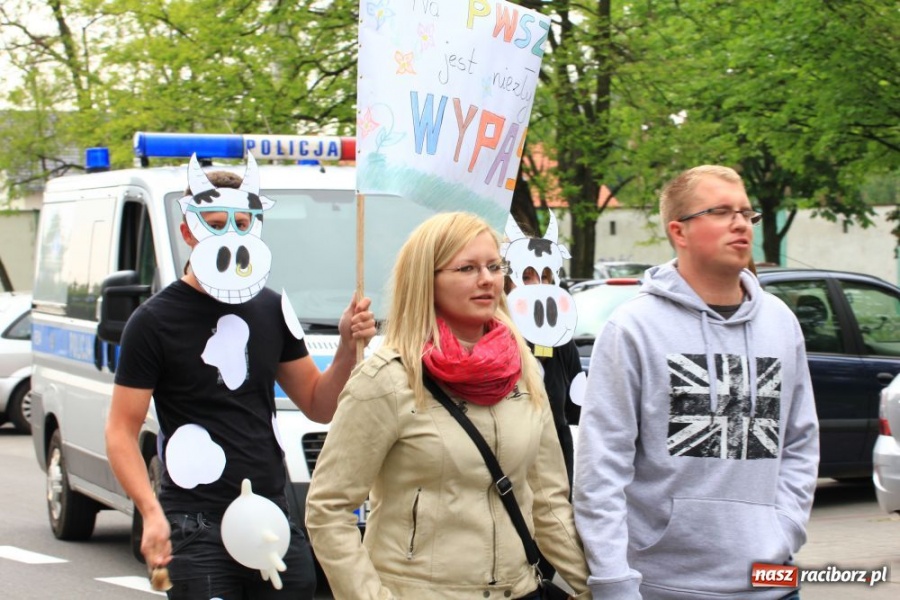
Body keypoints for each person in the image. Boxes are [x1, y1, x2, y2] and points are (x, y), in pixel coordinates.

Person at [105, 162, 377, 600]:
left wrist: (346, 347)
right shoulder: (153, 321)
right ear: (188, 231)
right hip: (196, 522)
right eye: (214, 224)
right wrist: (150, 512)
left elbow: (318, 404)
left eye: (242, 223)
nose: (229, 234)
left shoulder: (272, 308)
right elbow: (121, 429)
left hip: (271, 511)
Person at [305, 212, 590, 599]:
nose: (488, 279)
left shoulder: (521, 370)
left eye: (494, 266)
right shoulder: (385, 379)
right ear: (427, 278)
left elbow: (549, 503)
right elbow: (329, 509)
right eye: (467, 268)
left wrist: (598, 588)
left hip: (518, 589)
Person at [573, 165, 819, 599]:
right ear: (679, 232)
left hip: (772, 581)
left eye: (746, 212)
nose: (741, 222)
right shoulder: (634, 328)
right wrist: (613, 581)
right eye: (721, 211)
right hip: (662, 585)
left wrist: (786, 529)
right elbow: (602, 467)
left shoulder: (781, 322)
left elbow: (799, 440)